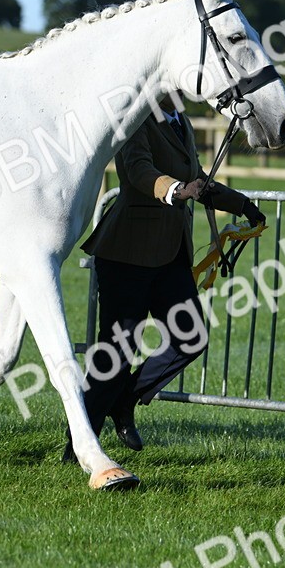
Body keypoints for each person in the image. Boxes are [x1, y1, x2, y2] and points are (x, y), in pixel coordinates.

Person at [63, 108, 265, 462]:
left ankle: (125, 399)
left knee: (191, 337)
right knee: (116, 355)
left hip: (171, 255)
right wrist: (177, 189)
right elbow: (139, 171)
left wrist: (243, 205)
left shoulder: (180, 120)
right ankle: (78, 447)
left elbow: (196, 180)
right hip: (127, 251)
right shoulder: (137, 117)